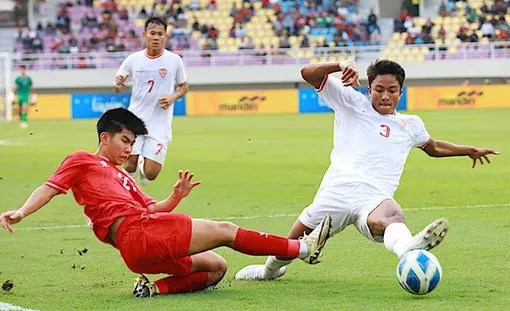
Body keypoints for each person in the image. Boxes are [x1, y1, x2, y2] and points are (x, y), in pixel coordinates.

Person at [0, 108, 331, 298]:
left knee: (217, 269)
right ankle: (302, 249)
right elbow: (50, 186)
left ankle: (153, 289)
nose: (130, 148)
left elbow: (153, 208)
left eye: (133, 142)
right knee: (225, 230)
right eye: (125, 140)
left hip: (138, 247)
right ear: (105, 137)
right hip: (139, 234)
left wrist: (175, 196)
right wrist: (22, 211)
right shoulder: (82, 160)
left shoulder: (125, 178)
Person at [235, 59, 500, 281]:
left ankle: (407, 249)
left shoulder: (411, 125)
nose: (386, 96)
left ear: (401, 91)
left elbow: (433, 147)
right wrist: (340, 64)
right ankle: (268, 272)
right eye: (379, 89)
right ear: (369, 89)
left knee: (392, 215)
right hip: (335, 194)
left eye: (393, 90)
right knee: (290, 247)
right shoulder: (351, 102)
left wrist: (468, 150)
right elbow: (307, 73)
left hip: (374, 198)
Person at [114, 16, 188, 185]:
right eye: (152, 33)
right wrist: (118, 84)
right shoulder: (133, 59)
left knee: (150, 174)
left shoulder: (174, 60)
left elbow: (183, 87)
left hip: (160, 124)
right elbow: (118, 88)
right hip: (135, 120)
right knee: (129, 164)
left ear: (165, 37)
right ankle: (128, 198)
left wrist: (172, 97)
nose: (156, 37)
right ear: (144, 34)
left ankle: (143, 163)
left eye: (160, 34)